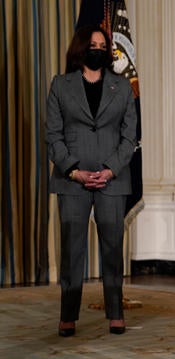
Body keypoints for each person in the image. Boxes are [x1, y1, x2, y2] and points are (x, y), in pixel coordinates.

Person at [46, 25, 137, 337]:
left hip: (113, 178)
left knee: (112, 248)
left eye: (102, 44)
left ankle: (116, 312)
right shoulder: (60, 85)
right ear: (80, 48)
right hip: (72, 180)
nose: (97, 48)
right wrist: (73, 170)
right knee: (72, 250)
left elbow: (130, 137)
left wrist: (110, 169)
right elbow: (53, 136)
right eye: (92, 44)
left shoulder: (123, 87)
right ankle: (68, 315)